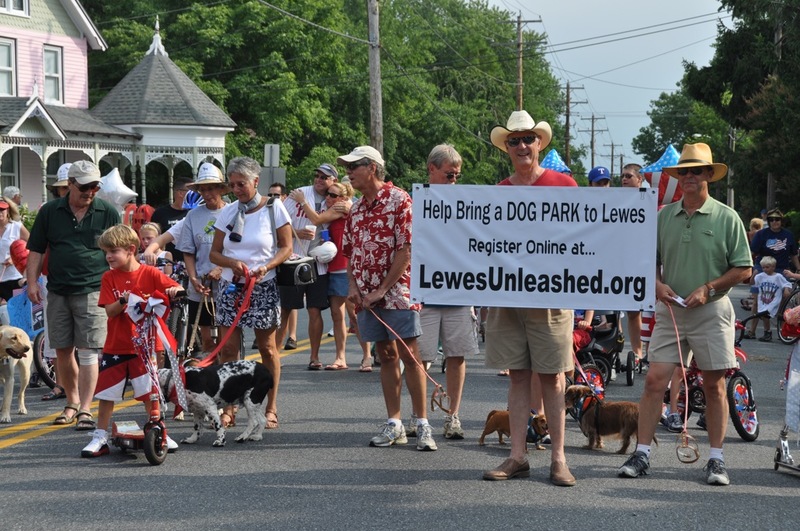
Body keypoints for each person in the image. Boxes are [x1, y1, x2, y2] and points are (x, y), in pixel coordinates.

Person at [617, 142, 752, 486]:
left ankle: (716, 460)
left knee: (714, 385)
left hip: (712, 310)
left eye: (696, 170)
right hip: (671, 312)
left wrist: (708, 287)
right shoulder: (664, 215)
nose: (689, 176)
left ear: (709, 174)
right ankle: (642, 452)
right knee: (653, 381)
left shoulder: (727, 216)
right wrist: (657, 284)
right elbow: (647, 261)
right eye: (683, 171)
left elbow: (744, 270)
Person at [481, 110, 576, 486]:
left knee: (552, 378)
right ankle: (517, 456)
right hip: (508, 297)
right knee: (518, 376)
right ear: (507, 147)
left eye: (528, 139)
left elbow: (583, 241)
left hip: (552, 297)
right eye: (514, 140)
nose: (522, 145)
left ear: (540, 143)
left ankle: (558, 458)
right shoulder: (498, 192)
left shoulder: (564, 185)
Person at [339, 145, 436, 451]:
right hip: (367, 296)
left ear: (372, 168)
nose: (349, 172)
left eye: (355, 166)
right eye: (348, 167)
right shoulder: (355, 209)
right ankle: (394, 422)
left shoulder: (400, 200)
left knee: (410, 354)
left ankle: (422, 424)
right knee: (386, 356)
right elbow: (350, 252)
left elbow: (406, 250)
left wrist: (382, 289)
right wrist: (353, 286)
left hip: (397, 293)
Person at [26, 160, 121, 429]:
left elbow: (123, 250)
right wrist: (32, 282)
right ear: (70, 185)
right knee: (63, 352)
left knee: (89, 351)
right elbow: (36, 249)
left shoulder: (108, 211)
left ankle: (86, 409)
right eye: (85, 187)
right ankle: (71, 401)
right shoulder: (49, 212)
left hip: (94, 290)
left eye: (95, 187)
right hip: (57, 290)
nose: (90, 192)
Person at [80, 224, 184, 457]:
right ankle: (100, 435)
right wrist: (124, 301)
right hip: (116, 345)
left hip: (145, 347)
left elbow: (176, 287)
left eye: (113, 251)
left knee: (150, 393)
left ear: (131, 249)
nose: (108, 256)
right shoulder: (109, 277)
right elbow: (110, 311)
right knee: (107, 394)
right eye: (106, 252)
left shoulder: (150, 273)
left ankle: (158, 429)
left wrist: (175, 291)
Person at [210, 156, 292, 430]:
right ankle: (229, 408)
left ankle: (271, 406)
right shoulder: (228, 211)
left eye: (241, 184)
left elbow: (286, 248)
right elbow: (215, 253)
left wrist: (265, 267)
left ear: (256, 181)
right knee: (229, 350)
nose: (237, 189)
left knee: (268, 349)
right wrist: (233, 263)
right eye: (232, 185)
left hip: (263, 286)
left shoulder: (274, 208)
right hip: (232, 287)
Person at [413, 144, 479, 440]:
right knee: (419, 358)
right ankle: (419, 417)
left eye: (457, 176)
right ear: (432, 170)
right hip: (425, 292)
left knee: (457, 354)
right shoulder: (415, 202)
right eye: (449, 175)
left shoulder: (468, 203)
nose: (454, 181)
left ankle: (452, 416)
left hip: (458, 291)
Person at [291, 180, 371, 371]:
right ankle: (340, 357)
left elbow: (316, 221)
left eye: (333, 195)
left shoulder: (342, 208)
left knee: (354, 314)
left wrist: (302, 201)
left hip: (347, 268)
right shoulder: (331, 212)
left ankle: (367, 356)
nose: (329, 198)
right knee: (337, 315)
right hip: (332, 268)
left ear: (343, 198)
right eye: (328, 194)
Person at [278, 163, 338, 369]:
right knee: (286, 308)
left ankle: (314, 357)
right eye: (317, 175)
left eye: (325, 177)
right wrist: (297, 231)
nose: (319, 180)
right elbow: (278, 224)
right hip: (294, 260)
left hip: (319, 263)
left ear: (333, 181)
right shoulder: (299, 195)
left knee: (315, 310)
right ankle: (274, 355)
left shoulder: (336, 200)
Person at [176, 162, 228, 355]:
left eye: (211, 188)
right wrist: (193, 278)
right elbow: (188, 251)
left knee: (225, 340)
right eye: (203, 190)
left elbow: (238, 249)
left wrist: (221, 269)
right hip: (202, 285)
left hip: (227, 283)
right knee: (207, 340)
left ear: (221, 189)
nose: (207, 194)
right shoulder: (193, 215)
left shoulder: (232, 212)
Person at [261, 182, 298, 351]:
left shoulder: (287, 211)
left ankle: (290, 337)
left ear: (284, 197)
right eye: (270, 195)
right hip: (267, 267)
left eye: (277, 195)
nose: (273, 198)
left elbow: (288, 241)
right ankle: (270, 342)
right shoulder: (263, 211)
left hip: (287, 263)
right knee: (275, 308)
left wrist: (299, 232)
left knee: (287, 306)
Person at [619, 162, 645, 368]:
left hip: (639, 261)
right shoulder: (613, 200)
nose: (624, 179)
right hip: (617, 259)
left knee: (634, 310)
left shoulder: (647, 200)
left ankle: (638, 351)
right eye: (622, 176)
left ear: (640, 179)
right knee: (612, 310)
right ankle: (616, 347)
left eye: (629, 176)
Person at [150, 176, 193, 262]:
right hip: (167, 264)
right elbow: (153, 236)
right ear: (180, 193)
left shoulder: (194, 213)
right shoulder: (160, 214)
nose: (195, 194)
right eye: (191, 191)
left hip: (191, 262)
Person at [752, 256, 792, 342]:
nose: (765, 269)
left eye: (767, 267)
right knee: (764, 316)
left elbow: (787, 284)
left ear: (773, 267)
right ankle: (767, 332)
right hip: (763, 300)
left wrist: (785, 289)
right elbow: (753, 284)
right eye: (763, 267)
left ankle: (768, 332)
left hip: (773, 301)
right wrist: (753, 275)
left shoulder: (778, 277)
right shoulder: (760, 276)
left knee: (766, 315)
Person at [0, 199, 30, 303]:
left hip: (15, 277)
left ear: (8, 210)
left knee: (15, 312)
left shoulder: (16, 226)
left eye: (2, 209)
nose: (0, 212)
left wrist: (14, 258)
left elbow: (34, 246)